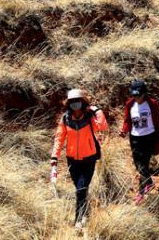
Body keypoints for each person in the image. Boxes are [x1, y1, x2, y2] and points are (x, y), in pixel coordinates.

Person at [50, 88, 108, 230]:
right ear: (68, 104)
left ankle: (78, 220)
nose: (75, 104)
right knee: (80, 189)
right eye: (72, 102)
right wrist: (54, 157)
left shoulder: (89, 117)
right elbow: (59, 138)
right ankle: (84, 211)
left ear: (83, 102)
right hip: (72, 160)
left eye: (78, 101)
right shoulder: (66, 119)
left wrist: (97, 111)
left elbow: (102, 126)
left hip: (89, 158)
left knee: (81, 189)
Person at [119, 80, 159, 204]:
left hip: (149, 137)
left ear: (144, 93)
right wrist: (124, 131)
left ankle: (141, 192)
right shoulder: (130, 104)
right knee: (137, 164)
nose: (136, 97)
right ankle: (149, 182)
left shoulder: (152, 104)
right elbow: (127, 121)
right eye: (134, 95)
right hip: (135, 138)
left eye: (139, 95)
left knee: (143, 164)